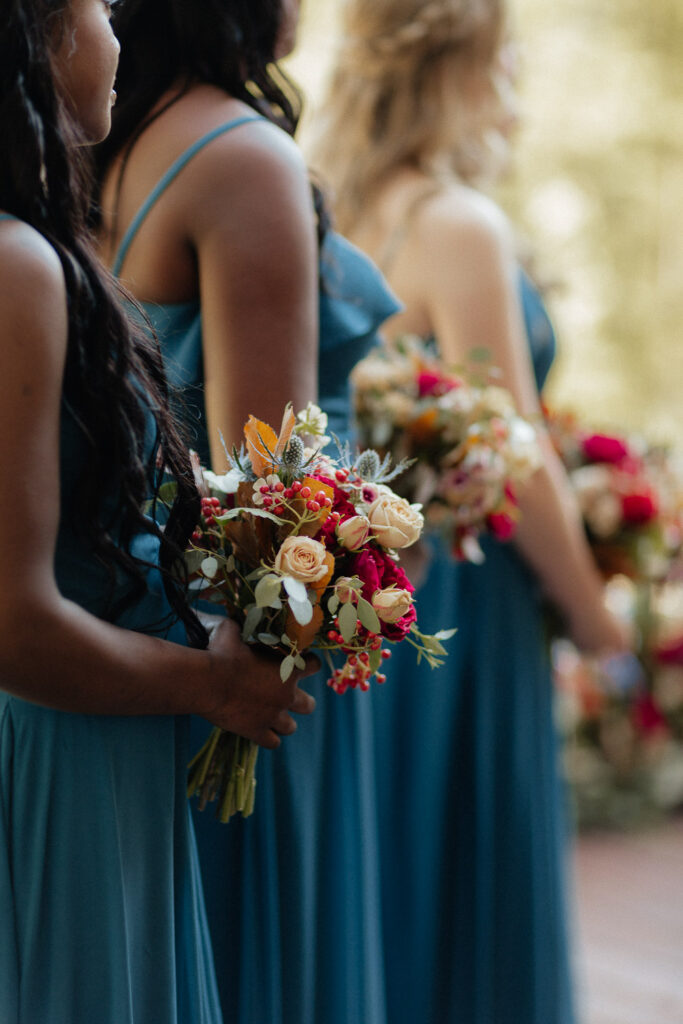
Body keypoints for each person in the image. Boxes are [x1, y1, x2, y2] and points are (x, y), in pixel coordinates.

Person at [309, 2, 628, 1022]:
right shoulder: (456, 222)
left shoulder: (340, 209)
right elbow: (514, 449)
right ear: (463, 60)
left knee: (398, 888)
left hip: (386, 605)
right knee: (474, 901)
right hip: (473, 604)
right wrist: (595, 619)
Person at [0, 3, 316, 1022]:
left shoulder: (41, 247)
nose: (117, 27)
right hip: (62, 753)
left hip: (104, 739)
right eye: (95, 6)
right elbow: (11, 619)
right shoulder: (16, 267)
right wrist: (215, 683)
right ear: (37, 35)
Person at [95, 2, 400, 1022]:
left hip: (145, 626)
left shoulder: (98, 137)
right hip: (256, 655)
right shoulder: (238, 154)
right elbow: (274, 497)